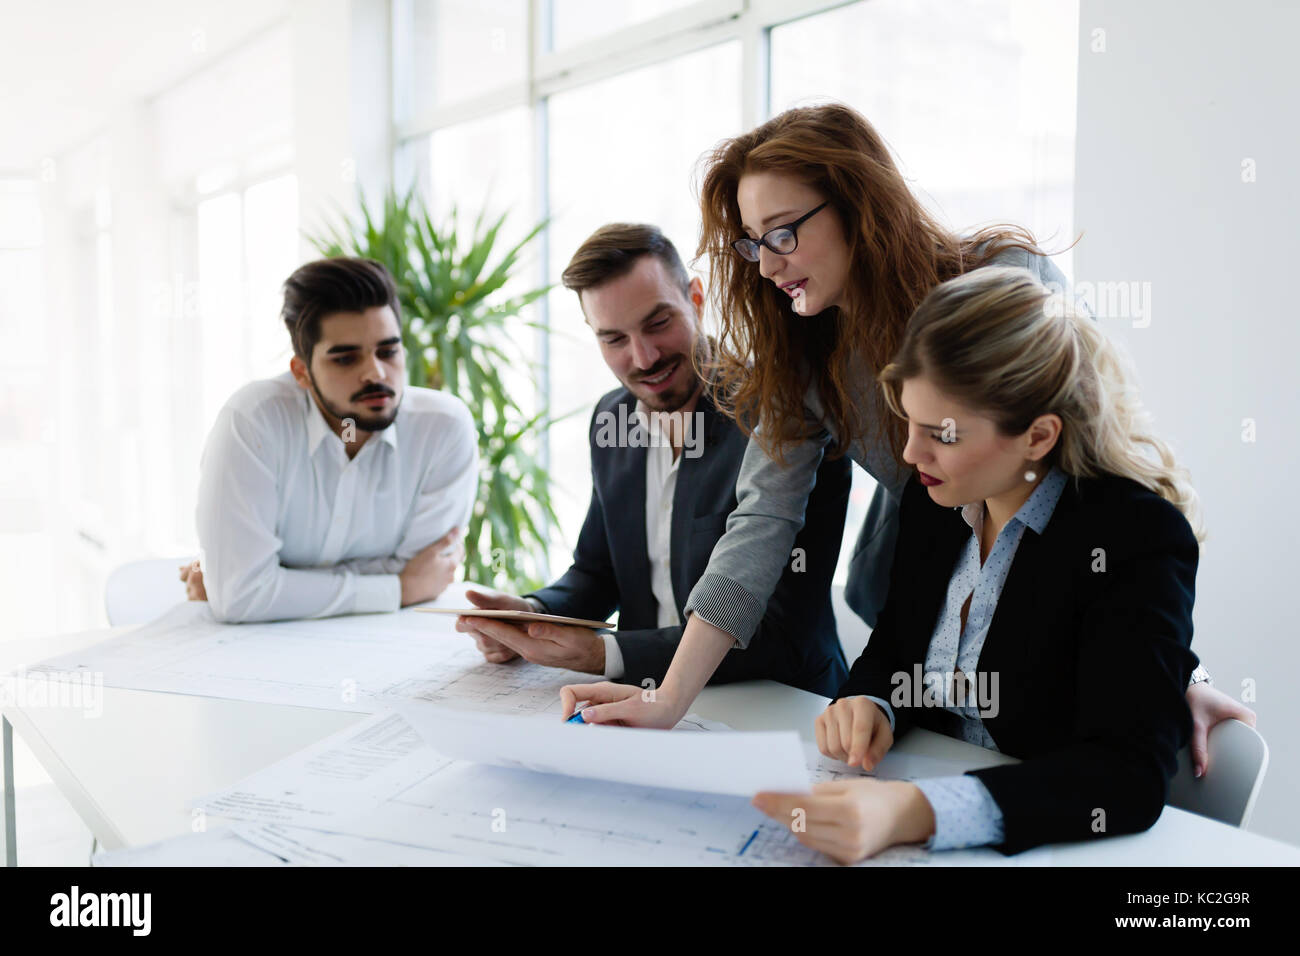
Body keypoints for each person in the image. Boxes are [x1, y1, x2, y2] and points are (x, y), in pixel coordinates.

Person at [559, 104, 1254, 779]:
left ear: (856, 205)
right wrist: (669, 697)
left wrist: (1169, 665)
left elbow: (1114, 457)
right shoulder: (803, 350)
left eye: (783, 234)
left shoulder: (998, 280)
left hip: (1054, 619)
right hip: (928, 619)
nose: (767, 266)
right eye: (752, 241)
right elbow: (760, 524)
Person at [752, 267, 1204, 860]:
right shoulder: (937, 496)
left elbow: (1125, 772)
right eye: (906, 421)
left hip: (1046, 839)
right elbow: (896, 646)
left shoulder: (1134, 537)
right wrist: (870, 700)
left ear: (1038, 437)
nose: (911, 453)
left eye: (941, 433)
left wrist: (919, 811)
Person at [456, 224, 851, 695]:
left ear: (697, 298)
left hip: (781, 706)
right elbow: (596, 572)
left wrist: (606, 655)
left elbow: (783, 634)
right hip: (644, 700)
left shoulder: (786, 416)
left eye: (658, 323)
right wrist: (533, 616)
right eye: (614, 340)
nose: (643, 358)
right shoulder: (611, 419)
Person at [183, 256, 478, 623]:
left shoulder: (444, 428)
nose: (375, 373)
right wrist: (398, 588)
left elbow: (427, 571)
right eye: (345, 359)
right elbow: (242, 596)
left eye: (388, 351)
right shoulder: (253, 421)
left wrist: (264, 579)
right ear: (302, 372)